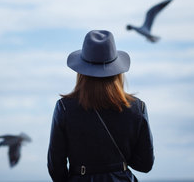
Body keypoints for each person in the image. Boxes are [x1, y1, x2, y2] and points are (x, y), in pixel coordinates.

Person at [47, 30, 154, 182]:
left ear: (81, 71)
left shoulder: (64, 107)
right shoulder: (137, 108)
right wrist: (117, 162)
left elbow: (56, 167)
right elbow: (145, 164)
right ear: (117, 70)